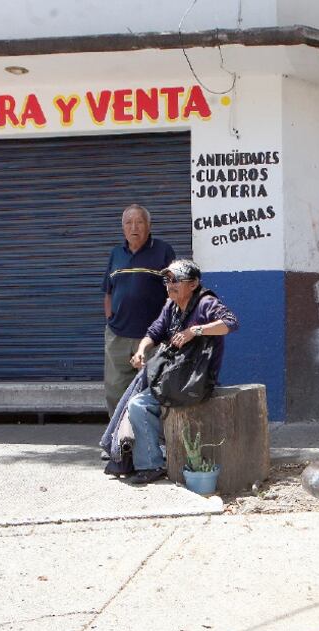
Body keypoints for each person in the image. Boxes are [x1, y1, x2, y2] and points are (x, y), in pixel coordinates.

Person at [124, 259, 239, 484]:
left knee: (139, 404)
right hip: (176, 378)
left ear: (193, 284)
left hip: (197, 380)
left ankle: (151, 462)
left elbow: (231, 323)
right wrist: (141, 351)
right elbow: (153, 332)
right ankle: (153, 458)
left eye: (176, 280)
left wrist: (195, 331)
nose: (170, 285)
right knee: (138, 400)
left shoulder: (206, 303)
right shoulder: (171, 306)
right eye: (167, 280)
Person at [102, 204, 176, 415]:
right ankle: (119, 433)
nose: (133, 227)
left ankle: (152, 433)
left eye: (139, 222)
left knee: (153, 389)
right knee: (115, 390)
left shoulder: (163, 251)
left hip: (152, 337)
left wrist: (165, 327)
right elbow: (108, 291)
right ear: (123, 228)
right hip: (118, 336)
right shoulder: (116, 254)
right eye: (128, 222)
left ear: (149, 225)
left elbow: (175, 292)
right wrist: (110, 319)